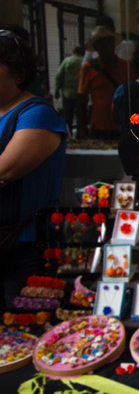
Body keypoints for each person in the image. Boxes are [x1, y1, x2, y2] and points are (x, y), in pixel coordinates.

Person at [0, 29, 67, 308]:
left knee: (23, 322)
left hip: (25, 242)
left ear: (16, 73)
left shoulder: (35, 114)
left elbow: (5, 170)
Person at [77, 26, 131, 139]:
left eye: (108, 43)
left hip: (123, 126)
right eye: (101, 44)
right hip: (98, 127)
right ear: (96, 47)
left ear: (113, 44)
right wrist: (81, 128)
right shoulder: (88, 68)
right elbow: (82, 100)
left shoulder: (127, 67)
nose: (106, 47)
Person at [55, 45, 84, 132]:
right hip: (81, 93)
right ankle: (80, 134)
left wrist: (57, 89)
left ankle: (68, 133)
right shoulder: (84, 62)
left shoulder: (67, 60)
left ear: (73, 52)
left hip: (67, 93)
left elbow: (59, 75)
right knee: (81, 116)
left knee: (68, 116)